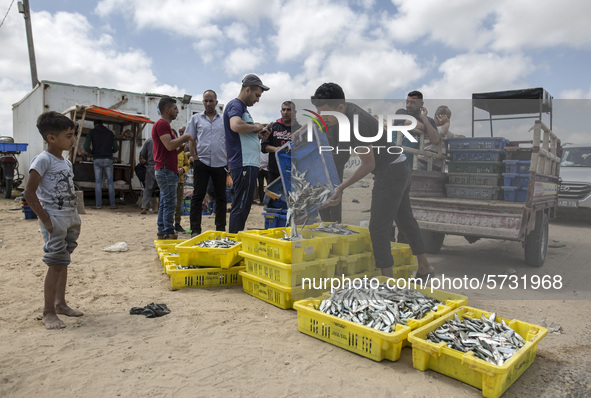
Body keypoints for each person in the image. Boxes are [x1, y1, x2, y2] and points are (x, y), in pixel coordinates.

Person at [312, 83, 435, 280]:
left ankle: (388, 281)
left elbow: (368, 164)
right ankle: (425, 266)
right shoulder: (344, 109)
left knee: (378, 227)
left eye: (327, 114)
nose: (324, 119)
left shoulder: (356, 124)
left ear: (340, 109)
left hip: (390, 171)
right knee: (405, 219)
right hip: (400, 165)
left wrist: (341, 187)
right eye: (320, 113)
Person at [24, 111, 83, 330]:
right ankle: (48, 311)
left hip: (69, 218)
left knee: (62, 261)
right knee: (55, 264)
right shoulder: (42, 160)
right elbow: (29, 194)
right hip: (54, 220)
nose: (73, 140)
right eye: (68, 136)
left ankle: (60, 303)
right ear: (51, 138)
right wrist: (47, 221)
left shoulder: (65, 162)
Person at [223, 74, 270, 233]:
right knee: (241, 205)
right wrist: (256, 126)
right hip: (244, 163)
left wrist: (257, 134)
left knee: (243, 205)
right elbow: (235, 125)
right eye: (257, 95)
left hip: (247, 163)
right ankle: (233, 240)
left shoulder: (242, 108)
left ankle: (234, 238)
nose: (257, 100)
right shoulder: (236, 105)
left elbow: (241, 132)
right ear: (247, 89)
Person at [186, 90, 228, 237]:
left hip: (220, 163)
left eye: (211, 100)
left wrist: (228, 162)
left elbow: (228, 142)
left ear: (216, 102)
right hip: (201, 162)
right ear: (203, 102)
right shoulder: (196, 119)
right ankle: (195, 230)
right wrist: (195, 157)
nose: (208, 103)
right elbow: (191, 139)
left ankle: (221, 229)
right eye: (206, 100)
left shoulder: (224, 120)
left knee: (221, 197)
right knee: (197, 196)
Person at [152, 97, 194, 240]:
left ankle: (162, 230)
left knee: (165, 201)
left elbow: (168, 149)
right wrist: (186, 137)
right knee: (170, 202)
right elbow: (169, 145)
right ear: (167, 110)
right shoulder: (162, 124)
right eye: (175, 109)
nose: (177, 111)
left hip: (165, 168)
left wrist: (179, 148)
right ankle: (169, 231)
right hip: (166, 170)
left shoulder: (165, 126)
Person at [394, 90, 440, 168]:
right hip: (395, 158)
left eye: (413, 102)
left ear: (421, 104)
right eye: (407, 102)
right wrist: (425, 129)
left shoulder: (428, 120)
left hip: (412, 162)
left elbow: (435, 139)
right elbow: (418, 126)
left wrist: (424, 118)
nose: (408, 105)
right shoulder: (401, 112)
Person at [261, 101, 301, 182]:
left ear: (295, 112)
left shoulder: (300, 129)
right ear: (281, 111)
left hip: (294, 172)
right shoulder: (273, 127)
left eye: (289, 110)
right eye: (283, 110)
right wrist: (276, 149)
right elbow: (263, 147)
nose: (286, 112)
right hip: (274, 172)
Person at [83, 120, 119, 209]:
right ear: (103, 124)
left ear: (95, 124)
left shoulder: (92, 132)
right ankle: (112, 204)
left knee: (98, 182)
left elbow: (85, 146)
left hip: (97, 159)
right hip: (108, 158)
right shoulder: (110, 133)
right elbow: (116, 147)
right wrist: (111, 151)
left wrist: (91, 152)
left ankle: (98, 205)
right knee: (110, 182)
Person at [174, 127, 191, 233]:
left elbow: (187, 165)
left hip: (180, 181)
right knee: (170, 203)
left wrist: (182, 170)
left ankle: (177, 224)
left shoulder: (182, 152)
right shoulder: (169, 151)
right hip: (170, 181)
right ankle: (167, 225)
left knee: (179, 204)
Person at [139, 137, 158, 214]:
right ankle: (163, 207)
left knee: (148, 188)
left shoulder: (149, 140)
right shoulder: (164, 139)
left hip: (151, 166)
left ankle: (144, 206)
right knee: (163, 188)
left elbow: (143, 154)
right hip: (162, 166)